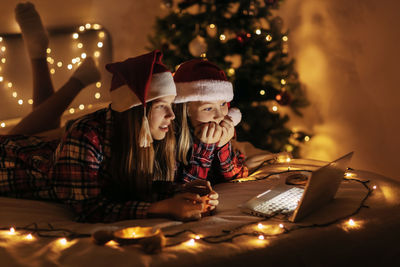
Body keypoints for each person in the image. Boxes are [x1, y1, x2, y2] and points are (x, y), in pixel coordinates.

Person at [0, 2, 218, 223]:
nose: (172, 116)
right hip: (7, 161)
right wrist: (161, 207)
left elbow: (149, 187)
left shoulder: (154, 134)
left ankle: (48, 61)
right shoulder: (86, 135)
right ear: (135, 111)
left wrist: (186, 192)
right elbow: (89, 209)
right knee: (20, 138)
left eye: (171, 105)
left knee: (39, 129)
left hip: (43, 151)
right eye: (162, 105)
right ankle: (60, 71)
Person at [173, 59, 249, 184]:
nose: (219, 115)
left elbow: (237, 176)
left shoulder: (223, 128)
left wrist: (223, 146)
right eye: (208, 108)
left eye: (223, 104)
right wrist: (205, 148)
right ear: (186, 110)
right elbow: (188, 189)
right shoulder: (172, 140)